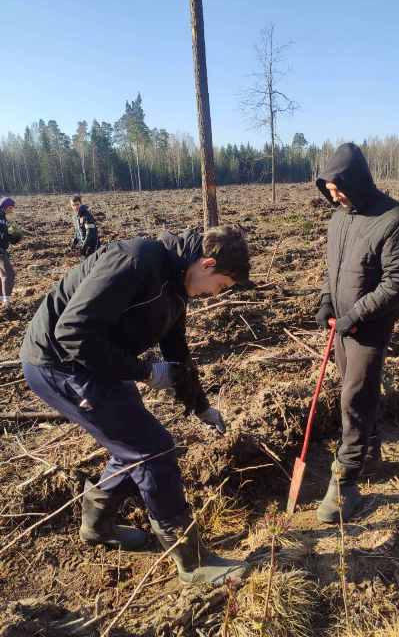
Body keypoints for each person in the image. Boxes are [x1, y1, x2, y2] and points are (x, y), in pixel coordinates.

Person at [20, 226, 250, 586]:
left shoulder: (177, 285)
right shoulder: (135, 261)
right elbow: (71, 333)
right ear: (207, 264)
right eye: (219, 286)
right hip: (59, 364)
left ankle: (97, 525)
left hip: (99, 360)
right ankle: (192, 561)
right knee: (153, 448)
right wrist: (144, 372)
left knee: (132, 443)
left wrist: (200, 405)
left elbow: (176, 351)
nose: (213, 296)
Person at [314, 143, 399, 523]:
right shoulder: (339, 219)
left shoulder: (394, 218)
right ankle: (370, 453)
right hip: (341, 327)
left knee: (354, 398)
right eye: (328, 190)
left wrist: (356, 314)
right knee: (355, 389)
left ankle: (344, 481)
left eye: (338, 188)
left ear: (355, 181)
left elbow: (398, 281)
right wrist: (327, 302)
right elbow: (332, 270)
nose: (334, 196)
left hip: (370, 327)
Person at [0, 197, 20, 313]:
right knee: (9, 274)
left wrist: (17, 235)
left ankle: (3, 299)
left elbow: (10, 239)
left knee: (3, 275)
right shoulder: (2, 218)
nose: (12, 210)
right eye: (11, 208)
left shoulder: (5, 218)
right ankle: (6, 302)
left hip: (2, 249)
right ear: (6, 207)